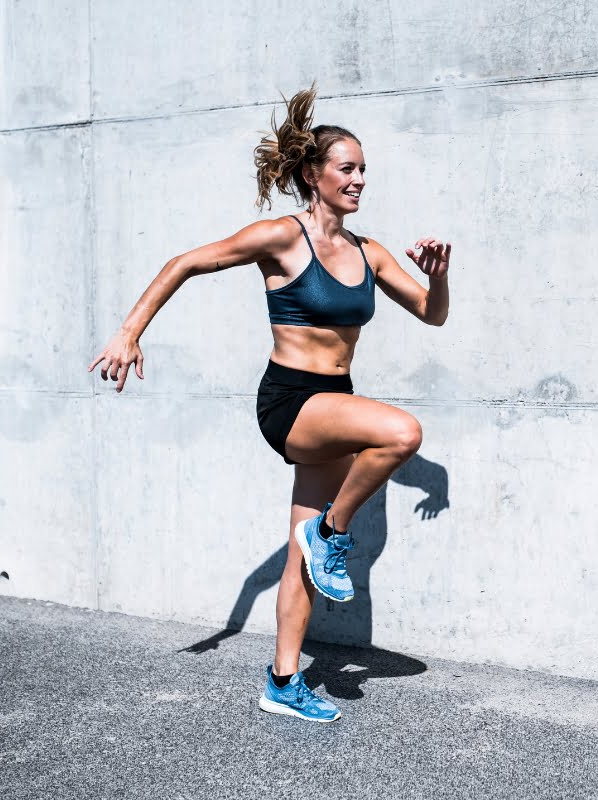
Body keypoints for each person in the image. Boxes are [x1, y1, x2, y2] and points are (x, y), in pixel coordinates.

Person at [88, 85, 451, 723]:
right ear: (314, 174)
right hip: (290, 402)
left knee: (298, 559)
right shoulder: (283, 238)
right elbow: (186, 262)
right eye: (348, 168)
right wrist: (128, 332)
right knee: (401, 432)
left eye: (364, 169)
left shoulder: (370, 253)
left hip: (332, 402)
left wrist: (440, 273)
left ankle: (283, 681)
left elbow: (431, 314)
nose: (359, 179)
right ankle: (330, 531)